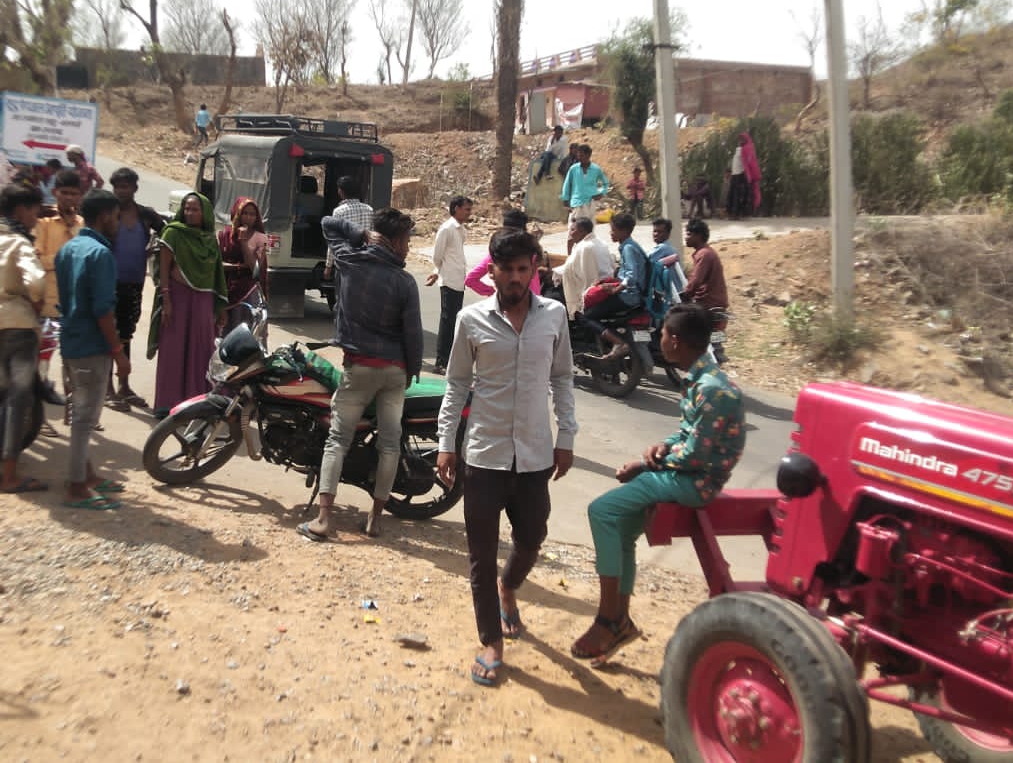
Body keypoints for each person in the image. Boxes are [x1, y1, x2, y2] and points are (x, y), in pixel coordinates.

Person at [436, 228, 576, 687]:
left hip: (535, 454)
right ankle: (491, 642)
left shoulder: (554, 316)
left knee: (533, 536)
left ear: (533, 270)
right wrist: (445, 442)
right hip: (484, 455)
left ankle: (509, 587)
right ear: (491, 272)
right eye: (506, 270)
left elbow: (562, 378)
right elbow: (457, 383)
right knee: (480, 554)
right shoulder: (470, 320)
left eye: (522, 269)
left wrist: (566, 436)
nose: (515, 277)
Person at [574, 304, 745, 660]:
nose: (660, 340)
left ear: (676, 342)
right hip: (685, 473)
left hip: (694, 482)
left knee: (601, 511)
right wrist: (663, 446)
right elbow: (688, 433)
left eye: (663, 334)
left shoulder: (712, 388)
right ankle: (620, 622)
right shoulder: (701, 378)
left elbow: (696, 454)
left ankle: (607, 620)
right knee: (622, 530)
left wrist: (643, 465)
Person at [298, 208, 423, 542]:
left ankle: (323, 519)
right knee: (390, 445)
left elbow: (328, 222)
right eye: (406, 241)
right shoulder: (405, 282)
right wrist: (411, 370)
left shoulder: (349, 259)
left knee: (338, 440)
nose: (408, 248)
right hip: (394, 371)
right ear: (394, 241)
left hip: (359, 367)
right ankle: (375, 519)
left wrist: (361, 235)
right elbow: (413, 335)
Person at [0, 184, 48, 494]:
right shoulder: (18, 242)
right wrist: (36, 304)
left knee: (9, 400)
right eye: (33, 210)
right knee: (19, 403)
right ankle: (9, 475)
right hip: (20, 327)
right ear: (20, 210)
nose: (36, 217)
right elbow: (37, 283)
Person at [55, 189, 130, 509]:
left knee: (80, 414)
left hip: (71, 341)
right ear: (104, 216)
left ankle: (86, 475)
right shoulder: (100, 254)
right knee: (85, 419)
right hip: (92, 345)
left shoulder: (68, 249)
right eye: (115, 217)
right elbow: (102, 310)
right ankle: (76, 487)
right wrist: (118, 352)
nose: (117, 223)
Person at [147, 192, 226, 418]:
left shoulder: (210, 240)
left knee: (201, 350)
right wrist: (167, 300)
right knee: (174, 349)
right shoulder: (173, 233)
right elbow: (164, 270)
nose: (190, 213)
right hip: (178, 298)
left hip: (203, 301)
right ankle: (167, 404)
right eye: (187, 208)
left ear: (205, 213)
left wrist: (221, 308)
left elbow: (217, 274)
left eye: (195, 209)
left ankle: (197, 403)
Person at [107, 167, 164, 410]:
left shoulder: (145, 215)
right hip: (109, 283)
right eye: (117, 187)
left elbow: (169, 231)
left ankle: (124, 386)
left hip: (134, 284)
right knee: (109, 335)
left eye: (125, 186)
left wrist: (153, 250)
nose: (121, 191)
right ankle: (108, 390)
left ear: (135, 188)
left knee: (125, 335)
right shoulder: (107, 213)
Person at [582, 213, 649, 362]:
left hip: (628, 297)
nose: (610, 233)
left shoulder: (628, 248)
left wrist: (615, 289)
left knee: (586, 316)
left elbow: (631, 276)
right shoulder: (631, 245)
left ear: (623, 231)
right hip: (635, 296)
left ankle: (618, 343)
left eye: (613, 230)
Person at [426, 195, 472, 375]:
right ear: (456, 209)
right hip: (449, 280)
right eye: (466, 209)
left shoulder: (461, 230)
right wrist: (438, 271)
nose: (469, 213)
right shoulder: (447, 229)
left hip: (458, 280)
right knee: (447, 321)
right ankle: (441, 362)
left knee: (454, 320)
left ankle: (449, 361)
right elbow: (438, 256)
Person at [35, 169, 85, 318]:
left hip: (76, 303)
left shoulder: (81, 223)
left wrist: (71, 227)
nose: (68, 197)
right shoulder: (43, 221)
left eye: (73, 194)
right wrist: (65, 260)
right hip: (48, 303)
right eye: (64, 192)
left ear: (80, 196)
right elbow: (37, 262)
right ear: (54, 192)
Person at [464, 210, 541, 297]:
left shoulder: (498, 253)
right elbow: (470, 279)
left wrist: (491, 292)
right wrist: (491, 292)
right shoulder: (532, 250)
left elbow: (470, 279)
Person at [554, 216, 616, 318]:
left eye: (573, 230)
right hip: (605, 283)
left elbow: (572, 271)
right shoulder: (600, 242)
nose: (570, 233)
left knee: (553, 296)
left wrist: (555, 274)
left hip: (591, 289)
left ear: (582, 231)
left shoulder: (584, 247)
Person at [218, 196, 268, 309]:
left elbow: (255, 270)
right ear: (237, 214)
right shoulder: (224, 235)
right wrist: (238, 267)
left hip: (248, 292)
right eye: (245, 213)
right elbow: (217, 264)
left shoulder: (261, 238)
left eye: (252, 214)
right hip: (224, 288)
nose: (248, 217)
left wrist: (243, 241)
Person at [325, 175, 373, 282]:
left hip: (345, 262)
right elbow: (372, 238)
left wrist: (328, 266)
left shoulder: (339, 212)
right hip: (364, 262)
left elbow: (334, 241)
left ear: (341, 191)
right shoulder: (369, 210)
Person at [681, 218, 729, 311]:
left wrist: (685, 295)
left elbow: (696, 281)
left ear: (698, 236)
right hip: (710, 301)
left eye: (689, 234)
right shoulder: (705, 252)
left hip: (709, 303)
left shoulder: (704, 254)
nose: (686, 237)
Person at [560, 144, 610, 223]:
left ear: (588, 155)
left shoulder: (596, 169)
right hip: (577, 202)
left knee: (589, 226)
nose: (579, 157)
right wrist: (565, 200)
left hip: (591, 203)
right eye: (578, 155)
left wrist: (601, 193)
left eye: (581, 155)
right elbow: (567, 184)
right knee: (574, 226)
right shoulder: (573, 169)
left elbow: (605, 183)